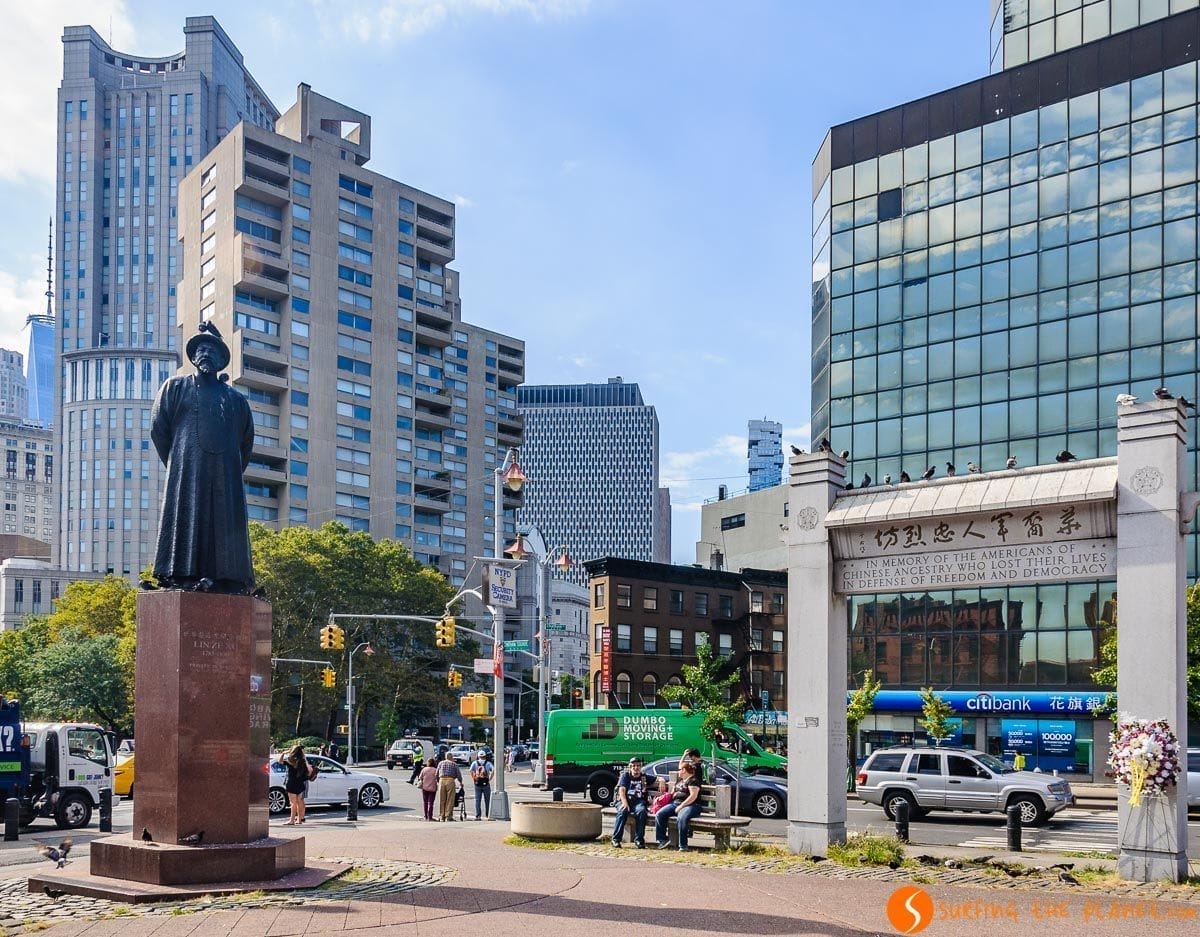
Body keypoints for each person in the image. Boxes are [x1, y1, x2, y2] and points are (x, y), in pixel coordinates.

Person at [149, 321, 255, 594]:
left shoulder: (236, 401)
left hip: (225, 476)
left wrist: (229, 471)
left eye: (213, 350)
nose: (206, 353)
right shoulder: (175, 387)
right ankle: (180, 575)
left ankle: (228, 579)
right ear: (194, 356)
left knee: (225, 525)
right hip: (187, 470)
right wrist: (179, 463)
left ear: (222, 360)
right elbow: (159, 430)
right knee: (186, 519)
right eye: (202, 349)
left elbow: (245, 443)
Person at [655, 760, 702, 851]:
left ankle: (683, 845)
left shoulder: (693, 781)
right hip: (675, 804)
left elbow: (693, 796)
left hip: (691, 805)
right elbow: (672, 793)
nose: (678, 771)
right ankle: (662, 840)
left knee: (682, 817)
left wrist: (682, 806)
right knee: (660, 814)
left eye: (679, 769)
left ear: (684, 770)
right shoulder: (680, 781)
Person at [612, 757, 656, 848]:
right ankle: (616, 839)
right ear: (630, 767)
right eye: (634, 766)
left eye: (638, 766)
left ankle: (639, 840)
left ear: (641, 767)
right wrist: (625, 803)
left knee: (642, 811)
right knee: (623, 811)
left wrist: (662, 780)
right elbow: (622, 790)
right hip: (624, 800)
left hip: (638, 802)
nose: (636, 768)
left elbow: (657, 778)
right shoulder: (625, 776)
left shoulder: (644, 777)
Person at [280, 744, 315, 825]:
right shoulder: (302, 761)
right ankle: (299, 820)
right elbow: (310, 770)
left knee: (293, 803)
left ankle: (292, 820)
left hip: (291, 783)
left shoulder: (290, 760)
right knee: (299, 802)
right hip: (300, 783)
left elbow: (280, 762)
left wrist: (283, 753)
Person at [436, 753, 463, 821]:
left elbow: (436, 774)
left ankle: (441, 816)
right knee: (450, 799)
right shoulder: (454, 764)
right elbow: (458, 774)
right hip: (450, 780)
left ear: (446, 757)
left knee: (442, 799)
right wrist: (460, 782)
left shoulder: (440, 763)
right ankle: (448, 816)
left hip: (442, 780)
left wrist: (438, 781)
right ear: (451, 757)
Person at [469, 749, 494, 820]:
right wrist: (490, 778)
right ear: (485, 756)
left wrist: (474, 778)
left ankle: (478, 816)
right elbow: (493, 770)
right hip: (486, 783)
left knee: (477, 800)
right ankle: (488, 815)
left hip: (477, 783)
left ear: (478, 756)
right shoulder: (488, 763)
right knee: (487, 800)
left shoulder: (474, 763)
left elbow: (470, 770)